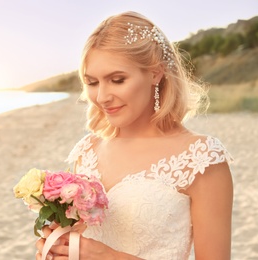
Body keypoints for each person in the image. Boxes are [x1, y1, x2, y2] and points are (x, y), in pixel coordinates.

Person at [35, 11, 233, 260]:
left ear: (155, 73)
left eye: (117, 80)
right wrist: (59, 248)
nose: (102, 96)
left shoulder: (201, 159)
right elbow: (82, 244)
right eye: (93, 82)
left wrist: (108, 257)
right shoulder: (88, 150)